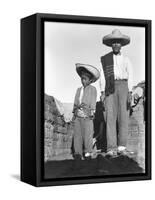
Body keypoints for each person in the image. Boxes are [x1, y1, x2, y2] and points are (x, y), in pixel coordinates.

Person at [99, 29, 133, 157]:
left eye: (118, 42)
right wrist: (102, 91)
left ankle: (122, 146)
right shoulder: (105, 59)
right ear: (111, 44)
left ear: (121, 45)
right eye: (113, 42)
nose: (116, 45)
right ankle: (111, 147)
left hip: (124, 86)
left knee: (123, 116)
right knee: (110, 116)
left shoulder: (126, 60)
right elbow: (102, 76)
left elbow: (131, 75)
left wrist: (130, 92)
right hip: (109, 86)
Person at [72, 63, 100, 160]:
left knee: (87, 134)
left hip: (87, 115)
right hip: (78, 116)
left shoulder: (93, 89)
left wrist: (91, 112)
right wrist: (76, 111)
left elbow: (93, 102)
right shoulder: (78, 90)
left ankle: (88, 151)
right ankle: (78, 153)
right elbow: (76, 102)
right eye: (82, 79)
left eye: (85, 79)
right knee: (77, 135)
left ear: (90, 80)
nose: (83, 81)